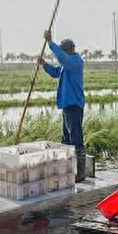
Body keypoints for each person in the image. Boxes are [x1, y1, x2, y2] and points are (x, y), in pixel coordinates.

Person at [38, 30, 86, 182]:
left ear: (71, 49)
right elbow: (56, 72)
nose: (64, 55)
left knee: (76, 138)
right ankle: (67, 169)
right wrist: (44, 65)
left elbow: (62, 58)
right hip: (67, 106)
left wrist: (50, 43)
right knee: (66, 138)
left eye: (66, 51)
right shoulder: (67, 66)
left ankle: (80, 172)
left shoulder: (76, 62)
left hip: (74, 105)